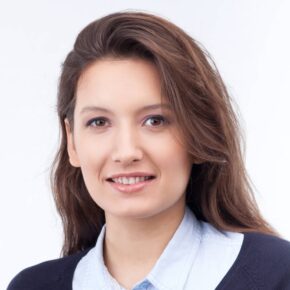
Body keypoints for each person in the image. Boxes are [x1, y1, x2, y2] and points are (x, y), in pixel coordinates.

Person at [7, 11, 290, 290]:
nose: (126, 151)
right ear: (72, 141)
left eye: (155, 121)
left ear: (197, 132)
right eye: (99, 122)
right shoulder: (33, 286)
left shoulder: (277, 273)